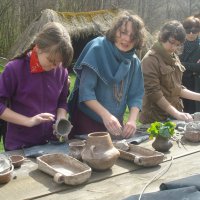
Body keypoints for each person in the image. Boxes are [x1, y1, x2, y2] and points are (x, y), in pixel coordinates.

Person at [68, 11, 146, 139]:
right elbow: (86, 93)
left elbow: (136, 95)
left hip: (115, 124)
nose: (127, 39)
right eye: (123, 32)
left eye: (133, 36)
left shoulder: (134, 61)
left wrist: (132, 120)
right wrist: (106, 115)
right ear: (115, 31)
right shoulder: (97, 49)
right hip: (88, 121)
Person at [0, 22, 74, 150]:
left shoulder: (61, 71)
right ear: (38, 47)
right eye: (51, 61)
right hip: (20, 146)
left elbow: (62, 101)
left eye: (58, 62)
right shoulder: (14, 69)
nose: (54, 67)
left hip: (51, 144)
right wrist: (28, 121)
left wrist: (61, 119)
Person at [139, 20, 200, 124]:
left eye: (178, 45)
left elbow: (177, 88)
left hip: (173, 116)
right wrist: (177, 114)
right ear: (162, 37)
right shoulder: (150, 59)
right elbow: (154, 93)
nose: (174, 47)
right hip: (155, 119)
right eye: (171, 43)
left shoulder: (173, 56)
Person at [180, 16, 200, 113]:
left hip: (196, 85)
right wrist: (192, 66)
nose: (191, 33)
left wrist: (181, 64)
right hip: (179, 83)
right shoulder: (178, 44)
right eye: (188, 30)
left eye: (195, 30)